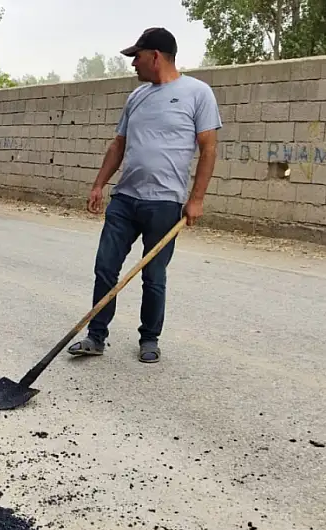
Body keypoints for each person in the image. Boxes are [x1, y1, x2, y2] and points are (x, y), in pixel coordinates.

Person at [68, 27, 220, 364]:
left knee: (153, 276)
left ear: (155, 56)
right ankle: (96, 336)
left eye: (136, 56)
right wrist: (99, 184)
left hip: (165, 203)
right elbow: (118, 145)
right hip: (125, 200)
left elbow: (208, 149)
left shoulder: (198, 93)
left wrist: (196, 199)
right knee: (105, 268)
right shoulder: (136, 97)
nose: (132, 63)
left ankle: (149, 339)